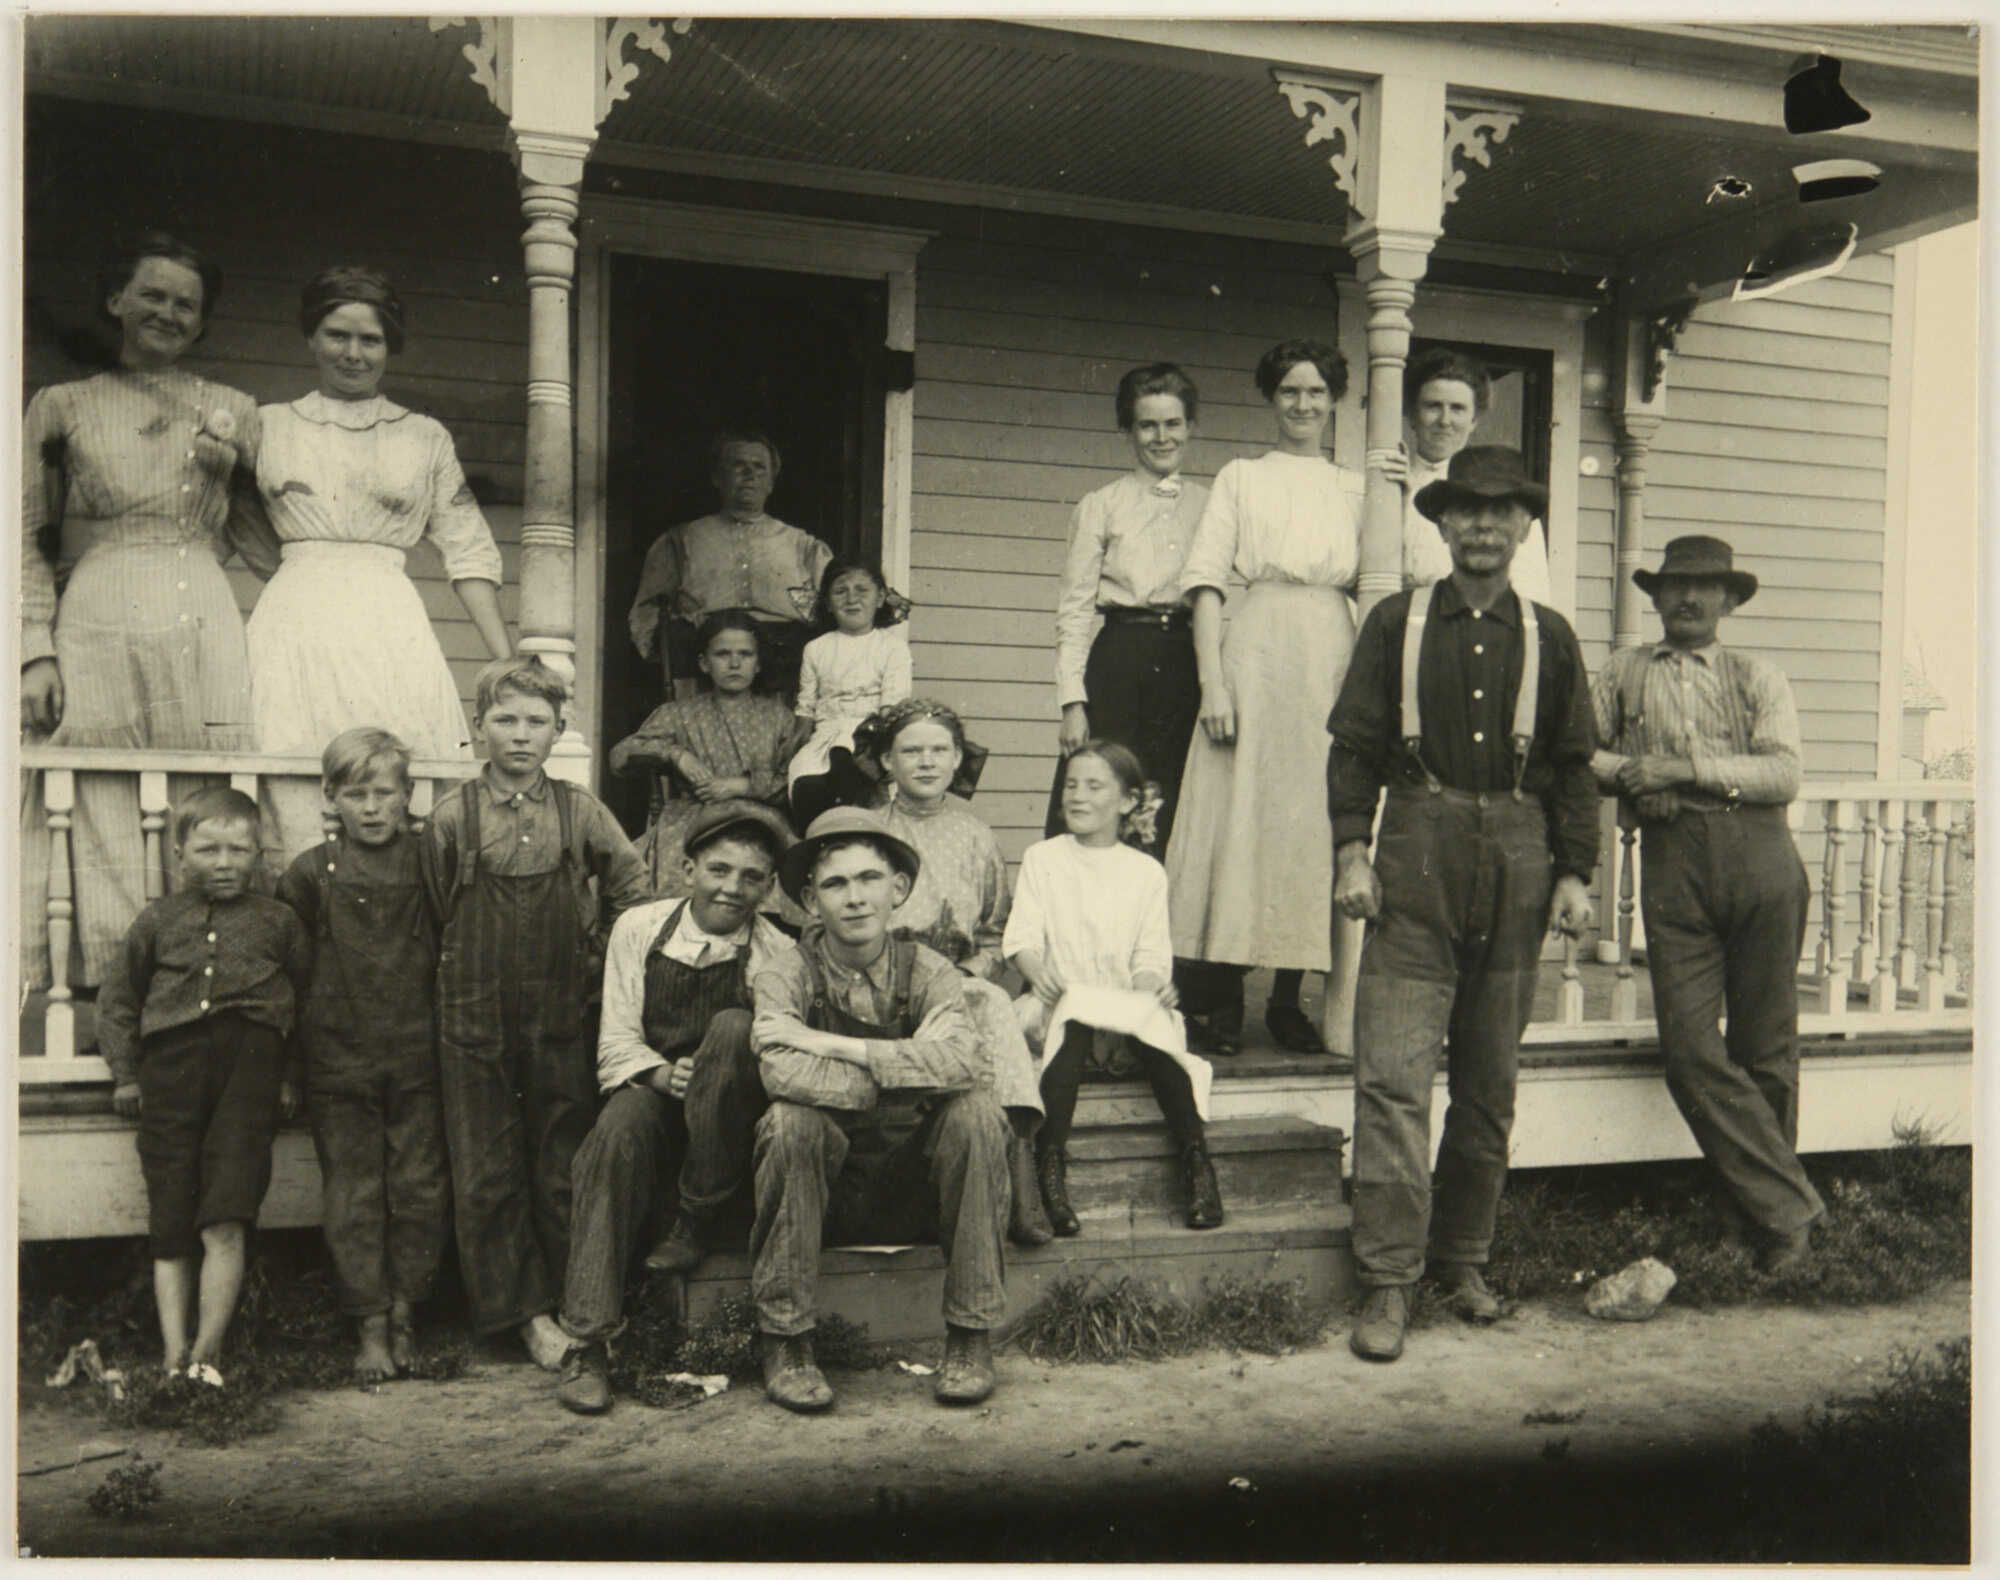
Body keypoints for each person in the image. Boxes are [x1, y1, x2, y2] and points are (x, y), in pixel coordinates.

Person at [1329, 446, 1598, 1364]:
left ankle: (1463, 1259)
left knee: (1489, 1080)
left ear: (1524, 527)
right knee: (1393, 1078)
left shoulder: (1551, 635)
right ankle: (1388, 1278)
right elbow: (1353, 750)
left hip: (1519, 854)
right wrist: (1352, 852)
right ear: (1442, 525)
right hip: (1416, 845)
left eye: (1503, 511)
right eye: (1468, 511)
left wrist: (1574, 873)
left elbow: (1573, 766)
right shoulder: (1394, 622)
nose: (1485, 526)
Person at [20, 231, 269, 991]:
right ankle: (114, 983)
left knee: (204, 784)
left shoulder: (235, 410)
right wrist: (34, 648)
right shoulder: (63, 405)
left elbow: (264, 537)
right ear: (115, 301)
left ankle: (202, 976)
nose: (168, 312)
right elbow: (28, 532)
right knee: (102, 788)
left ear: (203, 321)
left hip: (200, 604)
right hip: (99, 605)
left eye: (185, 303)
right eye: (152, 295)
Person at [1589, 535, 1825, 1275]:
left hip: (1760, 858)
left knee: (1766, 1048)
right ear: (1655, 597)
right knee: (1690, 1052)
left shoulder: (1757, 675)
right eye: (1674, 586)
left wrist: (1683, 771)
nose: (1688, 598)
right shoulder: (1624, 671)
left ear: (1728, 600)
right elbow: (1577, 754)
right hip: (1675, 863)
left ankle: (1757, 1226)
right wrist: (1634, 776)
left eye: (1705, 587)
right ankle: (1790, 1208)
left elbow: (1783, 773)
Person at [422, 656, 652, 1371]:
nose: (520, 735)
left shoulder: (578, 810)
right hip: (471, 1013)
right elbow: (431, 918)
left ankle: (577, 1298)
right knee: (485, 1166)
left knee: (561, 1159)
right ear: (479, 727)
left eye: (536, 721)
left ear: (557, 731)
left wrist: (601, 958)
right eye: (505, 720)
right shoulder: (452, 817)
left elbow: (632, 887)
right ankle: (520, 1315)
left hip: (558, 1009)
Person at [747, 808, 1009, 1413]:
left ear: (899, 888)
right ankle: (787, 1342)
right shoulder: (785, 973)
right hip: (826, 1191)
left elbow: (962, 1063)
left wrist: (836, 1046)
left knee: (974, 1114)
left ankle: (971, 1337)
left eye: (869, 878)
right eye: (835, 884)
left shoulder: (930, 971)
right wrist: (905, 1075)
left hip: (915, 1185)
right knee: (790, 1120)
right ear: (810, 901)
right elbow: (782, 1071)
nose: (855, 898)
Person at [249, 265, 511, 860]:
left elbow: (467, 546)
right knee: (294, 765)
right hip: (295, 619)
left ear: (390, 346)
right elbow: (229, 520)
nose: (353, 353)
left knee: (399, 764)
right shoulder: (267, 426)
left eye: (370, 339)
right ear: (311, 337)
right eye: (337, 335)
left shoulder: (423, 437)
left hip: (387, 619)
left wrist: (504, 660)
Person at [554, 804, 796, 1414]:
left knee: (735, 1028)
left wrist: (714, 1070)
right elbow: (615, 1039)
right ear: (688, 871)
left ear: (769, 887)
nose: (732, 888)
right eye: (718, 870)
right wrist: (664, 1074)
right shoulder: (639, 928)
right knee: (616, 1130)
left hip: (730, 1124)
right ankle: (587, 1340)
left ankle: (694, 1220)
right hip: (657, 1097)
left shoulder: (776, 950)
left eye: (751, 877)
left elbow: (779, 1056)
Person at [1164, 338, 1363, 1057]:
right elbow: (1206, 582)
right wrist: (1213, 682)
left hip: (1329, 655)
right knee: (1241, 816)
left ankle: (1287, 997)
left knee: (1308, 821)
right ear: (1271, 398)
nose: (1303, 405)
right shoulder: (1242, 478)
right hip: (1255, 654)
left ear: (1334, 400)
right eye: (1289, 392)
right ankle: (1222, 996)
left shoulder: (1357, 486)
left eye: (1316, 392)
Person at [97, 787, 311, 1389]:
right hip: (171, 1074)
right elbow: (118, 1001)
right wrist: (127, 1074)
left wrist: (290, 1075)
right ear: (179, 853)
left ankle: (207, 1353)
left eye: (238, 850)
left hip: (249, 1070)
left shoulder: (280, 923)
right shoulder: (157, 922)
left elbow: (306, 1004)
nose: (223, 863)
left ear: (259, 855)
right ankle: (173, 1356)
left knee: (226, 1211)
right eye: (208, 849)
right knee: (171, 1215)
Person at [274, 728, 448, 1384]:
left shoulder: (430, 862)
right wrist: (291, 1067)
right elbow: (289, 978)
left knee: (419, 1189)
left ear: (408, 794)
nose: (372, 808)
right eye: (356, 795)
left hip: (419, 1056)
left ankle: (406, 1313)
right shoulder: (311, 873)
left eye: (384, 793)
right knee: (353, 1194)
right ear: (331, 797)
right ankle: (369, 1324)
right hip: (338, 1060)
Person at [863, 698, 1053, 1245]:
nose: (926, 762)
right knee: (991, 1009)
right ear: (887, 761)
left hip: (958, 980)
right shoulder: (870, 830)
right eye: (911, 751)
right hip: (884, 980)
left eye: (938, 750)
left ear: (956, 759)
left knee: (989, 1004)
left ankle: (1020, 1174)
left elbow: (994, 930)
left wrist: (970, 969)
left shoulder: (976, 836)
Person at [1010, 741, 1220, 1234]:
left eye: (1094, 786)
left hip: (1120, 1010)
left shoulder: (1145, 872)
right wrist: (1037, 970)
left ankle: (1196, 1161)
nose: (1077, 796)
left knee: (1154, 1018)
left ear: (1127, 801)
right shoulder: (1043, 858)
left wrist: (1153, 988)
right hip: (1059, 1003)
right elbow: (1022, 938)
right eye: (1071, 785)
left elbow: (1148, 958)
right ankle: (1050, 1168)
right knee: (1075, 1012)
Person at [1046, 363, 1207, 849]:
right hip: (1120, 661)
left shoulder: (1213, 504)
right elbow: (1074, 610)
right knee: (1104, 786)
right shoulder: (1102, 505)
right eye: (1147, 425)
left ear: (1190, 426)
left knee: (1174, 794)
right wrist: (1073, 702)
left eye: (1173, 423)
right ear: (1128, 430)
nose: (1162, 437)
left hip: (1187, 658)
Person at [607, 610, 810, 898]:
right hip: (693, 818)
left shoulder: (780, 718)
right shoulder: (679, 714)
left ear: (757, 664)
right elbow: (620, 757)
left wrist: (742, 786)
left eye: (745, 654)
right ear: (704, 663)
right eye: (722, 654)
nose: (735, 663)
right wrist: (676, 755)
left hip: (760, 818)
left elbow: (794, 781)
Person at [628, 430, 835, 702]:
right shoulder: (680, 541)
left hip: (784, 675)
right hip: (702, 675)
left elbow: (833, 610)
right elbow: (646, 614)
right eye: (738, 465)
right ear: (717, 478)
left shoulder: (804, 546)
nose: (749, 475)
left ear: (771, 483)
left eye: (759, 467)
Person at [1390, 346, 1554, 607]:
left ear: (1474, 419)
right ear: (1411, 414)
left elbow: (1530, 594)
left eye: (1457, 408)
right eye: (1433, 406)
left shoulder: (1506, 494)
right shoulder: (1388, 486)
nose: (1445, 420)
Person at [787, 558, 914, 826]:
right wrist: (793, 746)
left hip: (871, 737)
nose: (851, 599)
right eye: (840, 591)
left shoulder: (892, 648)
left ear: (880, 598)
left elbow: (892, 709)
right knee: (803, 775)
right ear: (827, 602)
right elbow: (806, 707)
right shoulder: (817, 649)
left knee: (856, 780)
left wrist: (888, 750)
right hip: (825, 737)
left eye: (862, 590)